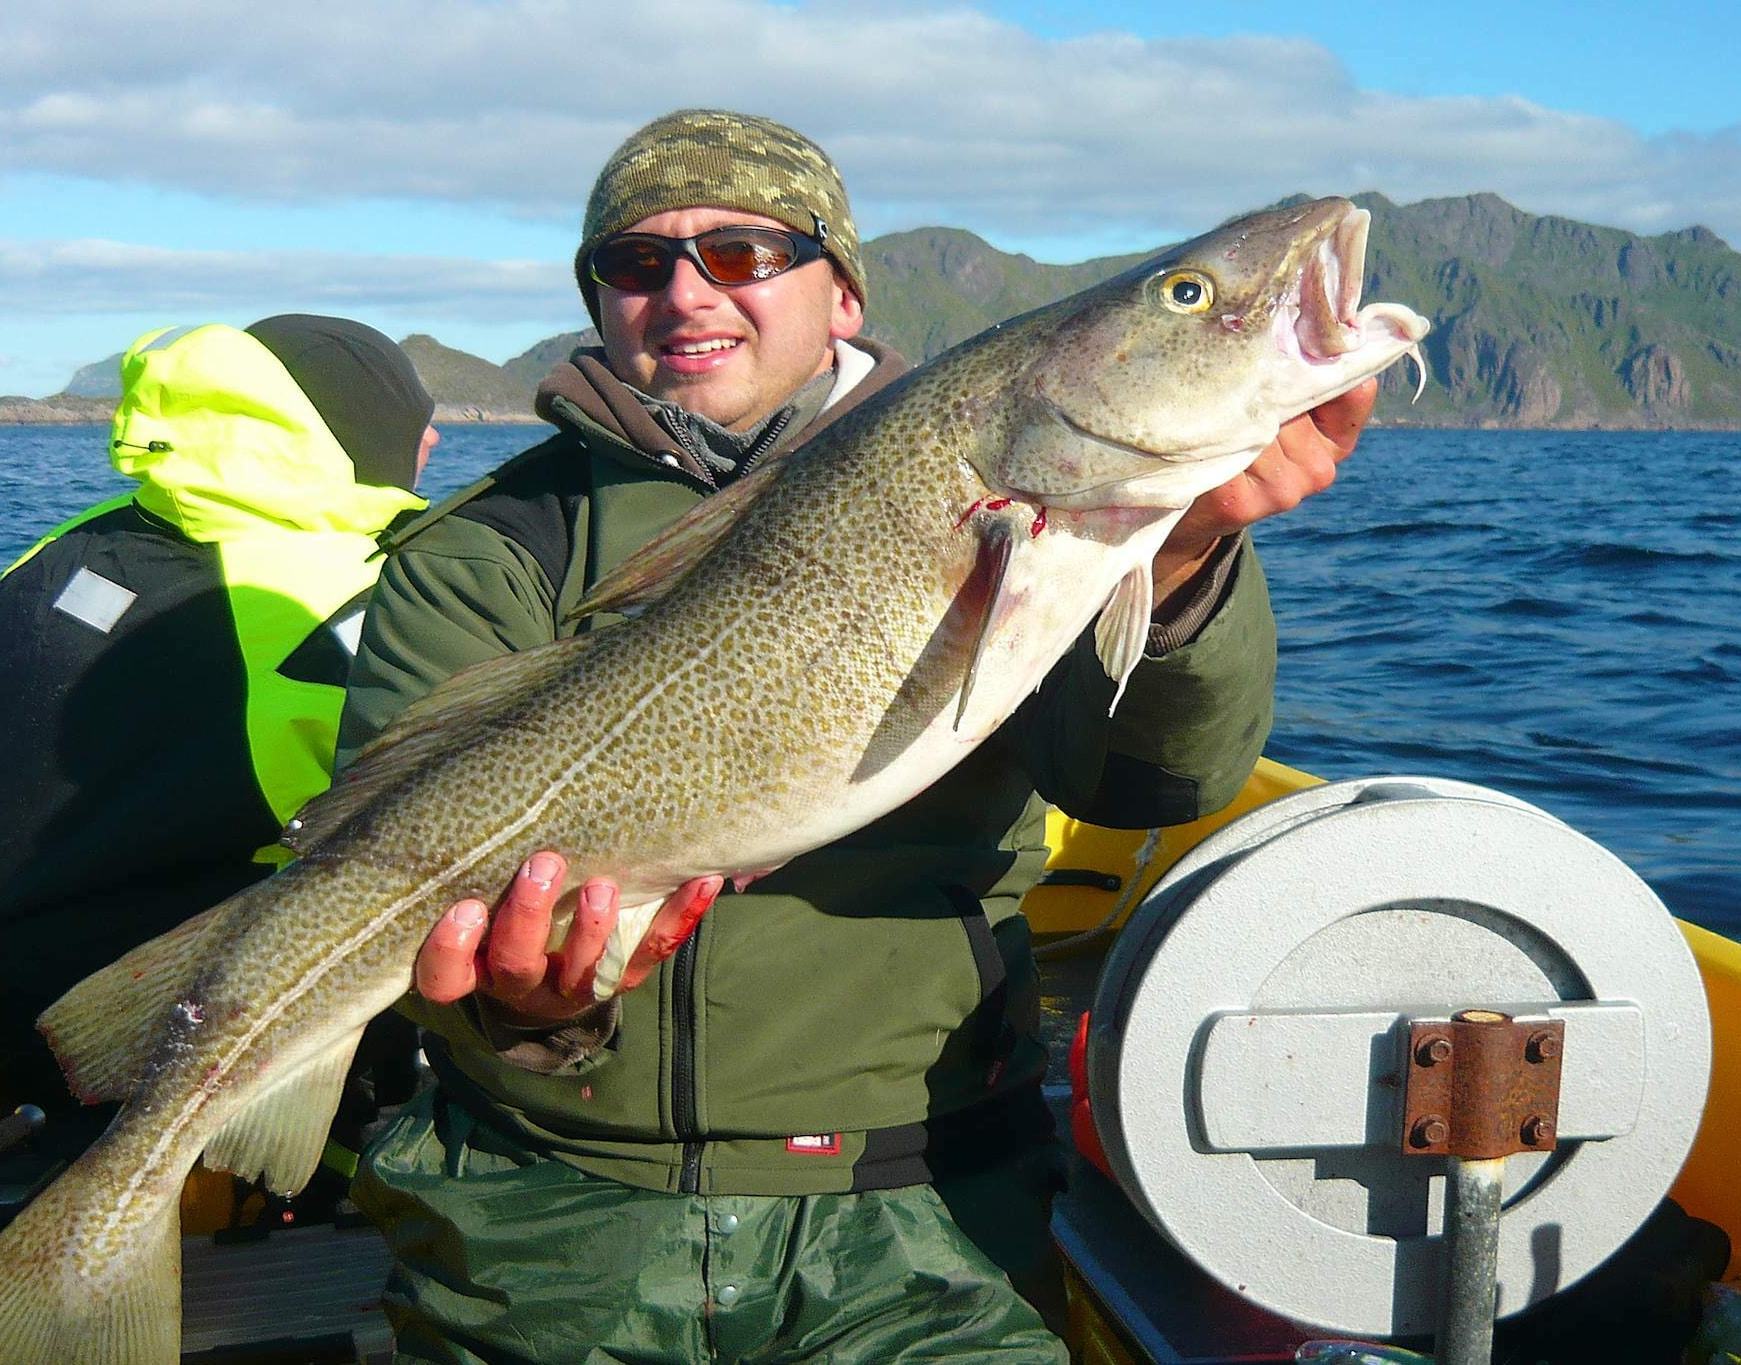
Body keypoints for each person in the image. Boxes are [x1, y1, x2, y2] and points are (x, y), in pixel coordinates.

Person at [338, 109, 1379, 1364]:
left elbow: (1147, 784)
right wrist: (529, 1014)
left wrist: (1191, 549)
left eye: (740, 254)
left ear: (840, 293)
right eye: (633, 265)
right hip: (542, 1210)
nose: (683, 293)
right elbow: (392, 865)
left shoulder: (1011, 491)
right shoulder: (487, 549)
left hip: (915, 1210)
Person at [0, 314, 438, 1134]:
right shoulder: (353, 589)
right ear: (360, 431)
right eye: (413, 419)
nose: (431, 438)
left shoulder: (67, 543)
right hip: (109, 1051)